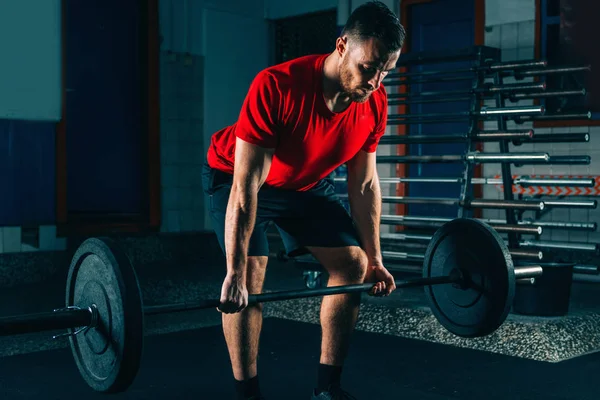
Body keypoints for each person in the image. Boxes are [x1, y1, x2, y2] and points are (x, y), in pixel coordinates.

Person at [201, 2, 406, 399]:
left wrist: (376, 259)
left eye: (386, 72)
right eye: (369, 67)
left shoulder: (373, 104)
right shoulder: (277, 86)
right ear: (343, 45)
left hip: (303, 183)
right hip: (238, 178)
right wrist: (233, 271)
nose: (376, 82)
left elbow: (363, 186)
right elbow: (246, 189)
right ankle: (248, 394)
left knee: (354, 265)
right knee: (249, 279)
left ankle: (328, 388)